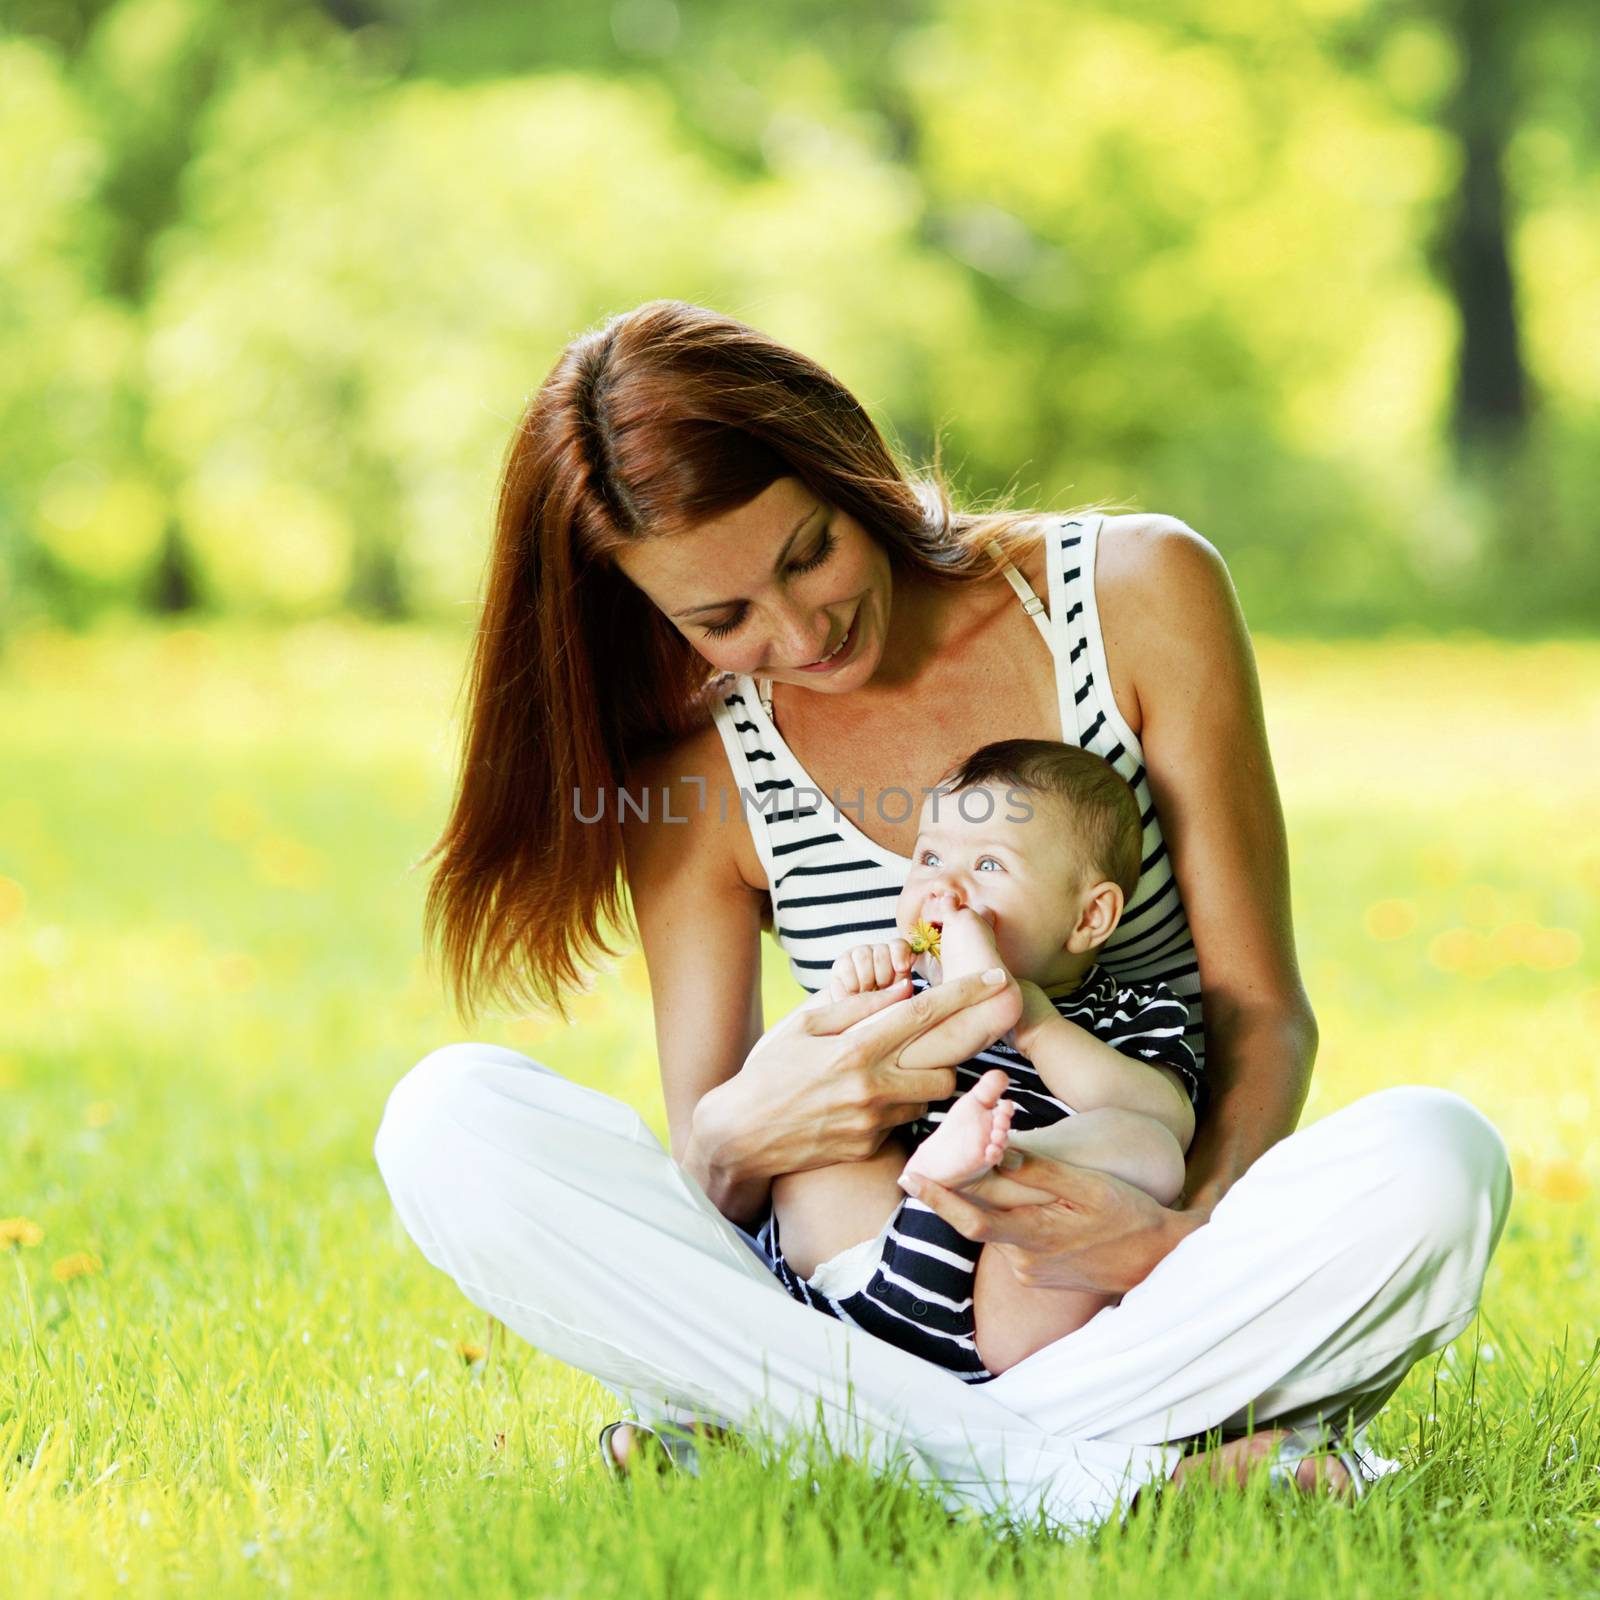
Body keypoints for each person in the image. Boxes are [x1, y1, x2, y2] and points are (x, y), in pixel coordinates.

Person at [374, 299, 1512, 1530]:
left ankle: (830, 1451)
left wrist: (1165, 1238)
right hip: (857, 1296)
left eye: (806, 553)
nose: (800, 634)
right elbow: (709, 1187)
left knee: (1433, 1159)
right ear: (654, 615)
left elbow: (1257, 1009)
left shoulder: (1133, 590)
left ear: (844, 465)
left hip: (1119, 1285)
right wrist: (743, 1129)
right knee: (448, 1120)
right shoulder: (698, 768)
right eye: (721, 619)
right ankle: (1098, 1484)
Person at [766, 741, 1203, 1384]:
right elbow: (794, 1090)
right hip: (848, 1264)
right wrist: (846, 999)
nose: (945, 886)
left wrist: (1032, 1021)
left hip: (1008, 1298)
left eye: (990, 864)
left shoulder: (1131, 1016)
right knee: (817, 1120)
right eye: (931, 857)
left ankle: (985, 1168)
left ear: (1089, 917)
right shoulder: (901, 990)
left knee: (1149, 1148)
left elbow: (1171, 1124)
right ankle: (690, 1433)